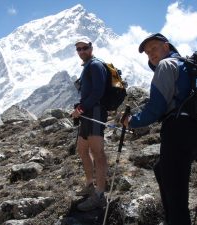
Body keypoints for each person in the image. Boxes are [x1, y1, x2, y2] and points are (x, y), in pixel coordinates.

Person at [122, 33, 197, 225]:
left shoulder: (166, 65)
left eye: (154, 48)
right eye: (147, 52)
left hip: (178, 131)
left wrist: (132, 121)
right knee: (161, 170)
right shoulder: (185, 66)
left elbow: (156, 107)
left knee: (176, 198)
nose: (150, 54)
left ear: (167, 47)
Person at [71, 37, 108, 211]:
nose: (81, 51)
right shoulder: (87, 66)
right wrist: (81, 109)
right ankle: (89, 185)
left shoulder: (95, 65)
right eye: (78, 49)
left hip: (95, 112)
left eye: (84, 48)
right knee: (82, 149)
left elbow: (98, 92)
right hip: (87, 113)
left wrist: (81, 109)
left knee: (98, 153)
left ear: (91, 48)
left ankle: (100, 195)